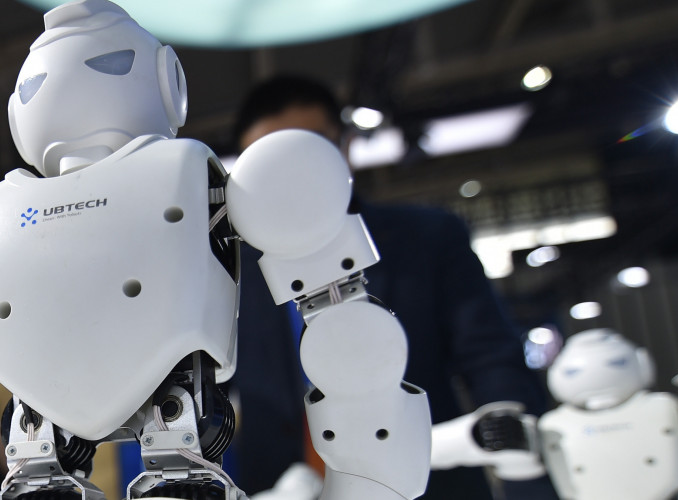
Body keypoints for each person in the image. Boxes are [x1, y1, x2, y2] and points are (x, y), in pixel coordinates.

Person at [227, 75, 557, 499]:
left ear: (343, 145)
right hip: (283, 482)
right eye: (269, 160)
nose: (290, 175)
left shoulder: (428, 237)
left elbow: (491, 355)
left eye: (309, 149)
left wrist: (518, 462)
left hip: (428, 480)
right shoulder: (229, 271)